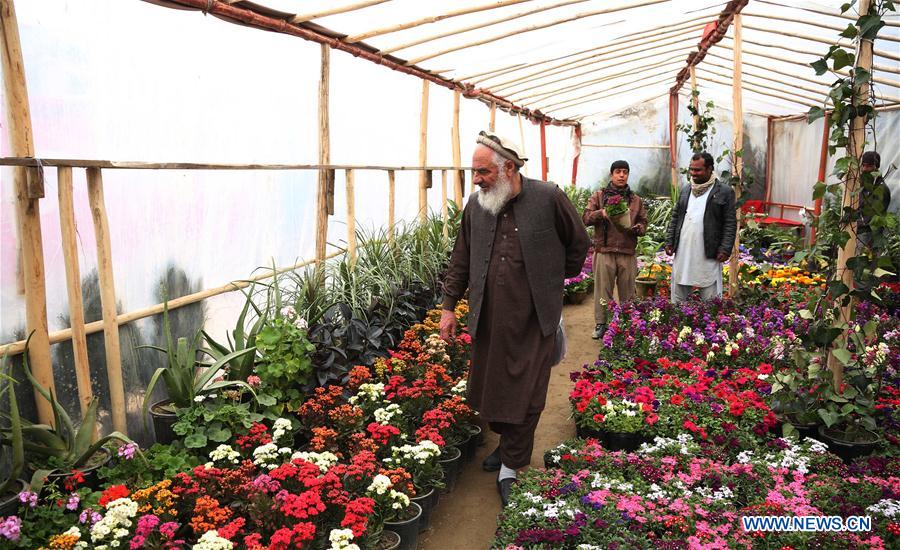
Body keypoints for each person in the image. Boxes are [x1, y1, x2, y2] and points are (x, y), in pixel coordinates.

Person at [439, 131, 590, 507]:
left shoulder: (548, 196)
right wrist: (447, 307)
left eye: (483, 172)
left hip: (533, 320)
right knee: (493, 388)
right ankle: (507, 447)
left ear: (508, 167)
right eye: (473, 172)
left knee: (527, 392)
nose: (476, 179)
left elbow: (579, 244)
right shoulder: (477, 206)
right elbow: (461, 257)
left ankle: (511, 466)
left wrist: (553, 279)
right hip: (489, 320)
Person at [582, 160, 647, 339]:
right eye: (618, 171)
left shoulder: (635, 200)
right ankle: (601, 324)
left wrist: (639, 228)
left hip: (627, 251)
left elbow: (643, 221)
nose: (621, 175)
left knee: (628, 291)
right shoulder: (599, 196)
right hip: (604, 251)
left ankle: (627, 324)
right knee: (603, 290)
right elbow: (585, 218)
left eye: (625, 172)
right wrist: (601, 213)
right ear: (611, 174)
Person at [664, 152, 736, 303]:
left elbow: (730, 222)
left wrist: (725, 248)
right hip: (684, 251)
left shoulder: (724, 191)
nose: (693, 173)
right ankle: (678, 320)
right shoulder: (686, 189)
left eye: (697, 170)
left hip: (708, 251)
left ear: (710, 169)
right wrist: (669, 241)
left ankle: (710, 322)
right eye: (691, 169)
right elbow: (675, 217)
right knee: (679, 293)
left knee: (710, 297)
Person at [857, 150, 891, 251]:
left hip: (870, 236)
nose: (864, 169)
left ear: (876, 168)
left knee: (870, 263)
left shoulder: (881, 190)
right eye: (863, 165)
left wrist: (854, 223)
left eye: (868, 166)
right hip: (860, 233)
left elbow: (870, 216)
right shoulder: (862, 185)